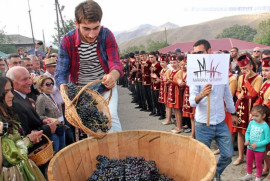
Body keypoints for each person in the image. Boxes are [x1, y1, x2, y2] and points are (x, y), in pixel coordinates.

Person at [55, 0, 123, 133]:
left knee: (111, 119)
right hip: (81, 92)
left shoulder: (106, 34)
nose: (92, 34)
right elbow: (60, 73)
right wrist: (66, 93)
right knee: (92, 127)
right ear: (77, 23)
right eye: (86, 29)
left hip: (105, 87)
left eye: (96, 28)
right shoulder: (67, 41)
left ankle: (118, 151)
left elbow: (115, 62)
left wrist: (112, 76)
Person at [189, 39, 238, 180]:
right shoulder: (195, 73)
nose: (198, 55)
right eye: (195, 53)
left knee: (228, 154)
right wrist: (202, 94)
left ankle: (215, 173)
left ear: (209, 51)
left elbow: (227, 94)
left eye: (201, 52)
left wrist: (233, 112)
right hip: (203, 124)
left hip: (221, 122)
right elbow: (192, 101)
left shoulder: (220, 69)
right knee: (203, 158)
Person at [0, 76, 46, 180]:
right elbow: (9, 156)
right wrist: (29, 140)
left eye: (11, 90)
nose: (11, 95)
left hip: (22, 166)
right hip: (11, 174)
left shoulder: (8, 112)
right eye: (6, 91)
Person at [233, 54, 263, 166]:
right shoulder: (240, 77)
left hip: (251, 107)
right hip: (241, 106)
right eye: (241, 69)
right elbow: (237, 91)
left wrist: (246, 81)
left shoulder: (258, 78)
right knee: (240, 132)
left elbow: (254, 94)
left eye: (245, 68)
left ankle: (254, 160)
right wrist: (238, 95)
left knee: (252, 134)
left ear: (250, 66)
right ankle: (241, 156)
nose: (244, 71)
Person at [36, 75, 65, 153]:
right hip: (53, 131)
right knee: (56, 153)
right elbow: (39, 116)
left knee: (63, 151)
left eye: (52, 83)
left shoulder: (52, 95)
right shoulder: (41, 99)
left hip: (61, 127)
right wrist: (51, 119)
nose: (51, 85)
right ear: (41, 86)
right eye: (48, 84)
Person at [240, 105, 270, 181]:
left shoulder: (265, 127)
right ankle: (249, 174)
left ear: (263, 116)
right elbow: (247, 132)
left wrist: (257, 144)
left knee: (258, 164)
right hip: (249, 148)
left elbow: (267, 140)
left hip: (259, 150)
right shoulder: (252, 123)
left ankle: (258, 177)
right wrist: (247, 140)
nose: (253, 117)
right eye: (253, 115)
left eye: (256, 116)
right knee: (249, 162)